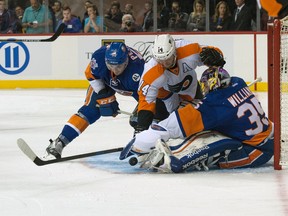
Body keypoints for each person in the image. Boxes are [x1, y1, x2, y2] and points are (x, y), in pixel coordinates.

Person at [120, 67, 274, 173]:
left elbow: (177, 123)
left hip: (255, 152)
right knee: (214, 128)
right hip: (267, 137)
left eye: (206, 85)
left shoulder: (216, 106)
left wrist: (144, 139)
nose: (205, 89)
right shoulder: (238, 82)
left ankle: (179, 160)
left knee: (210, 138)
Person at [44, 42, 146, 159]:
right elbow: (90, 75)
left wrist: (141, 119)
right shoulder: (99, 57)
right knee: (90, 110)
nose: (115, 70)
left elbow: (147, 99)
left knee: (141, 118)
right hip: (105, 82)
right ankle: (59, 142)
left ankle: (141, 145)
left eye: (118, 66)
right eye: (111, 66)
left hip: (135, 89)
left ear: (126, 62)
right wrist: (103, 94)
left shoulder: (139, 69)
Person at [132, 34, 226, 135]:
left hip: (190, 88)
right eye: (160, 60)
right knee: (178, 119)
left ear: (174, 51)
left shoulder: (188, 50)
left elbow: (213, 54)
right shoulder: (150, 72)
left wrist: (217, 58)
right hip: (166, 93)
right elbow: (146, 101)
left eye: (167, 58)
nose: (164, 64)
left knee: (200, 117)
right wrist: (141, 127)